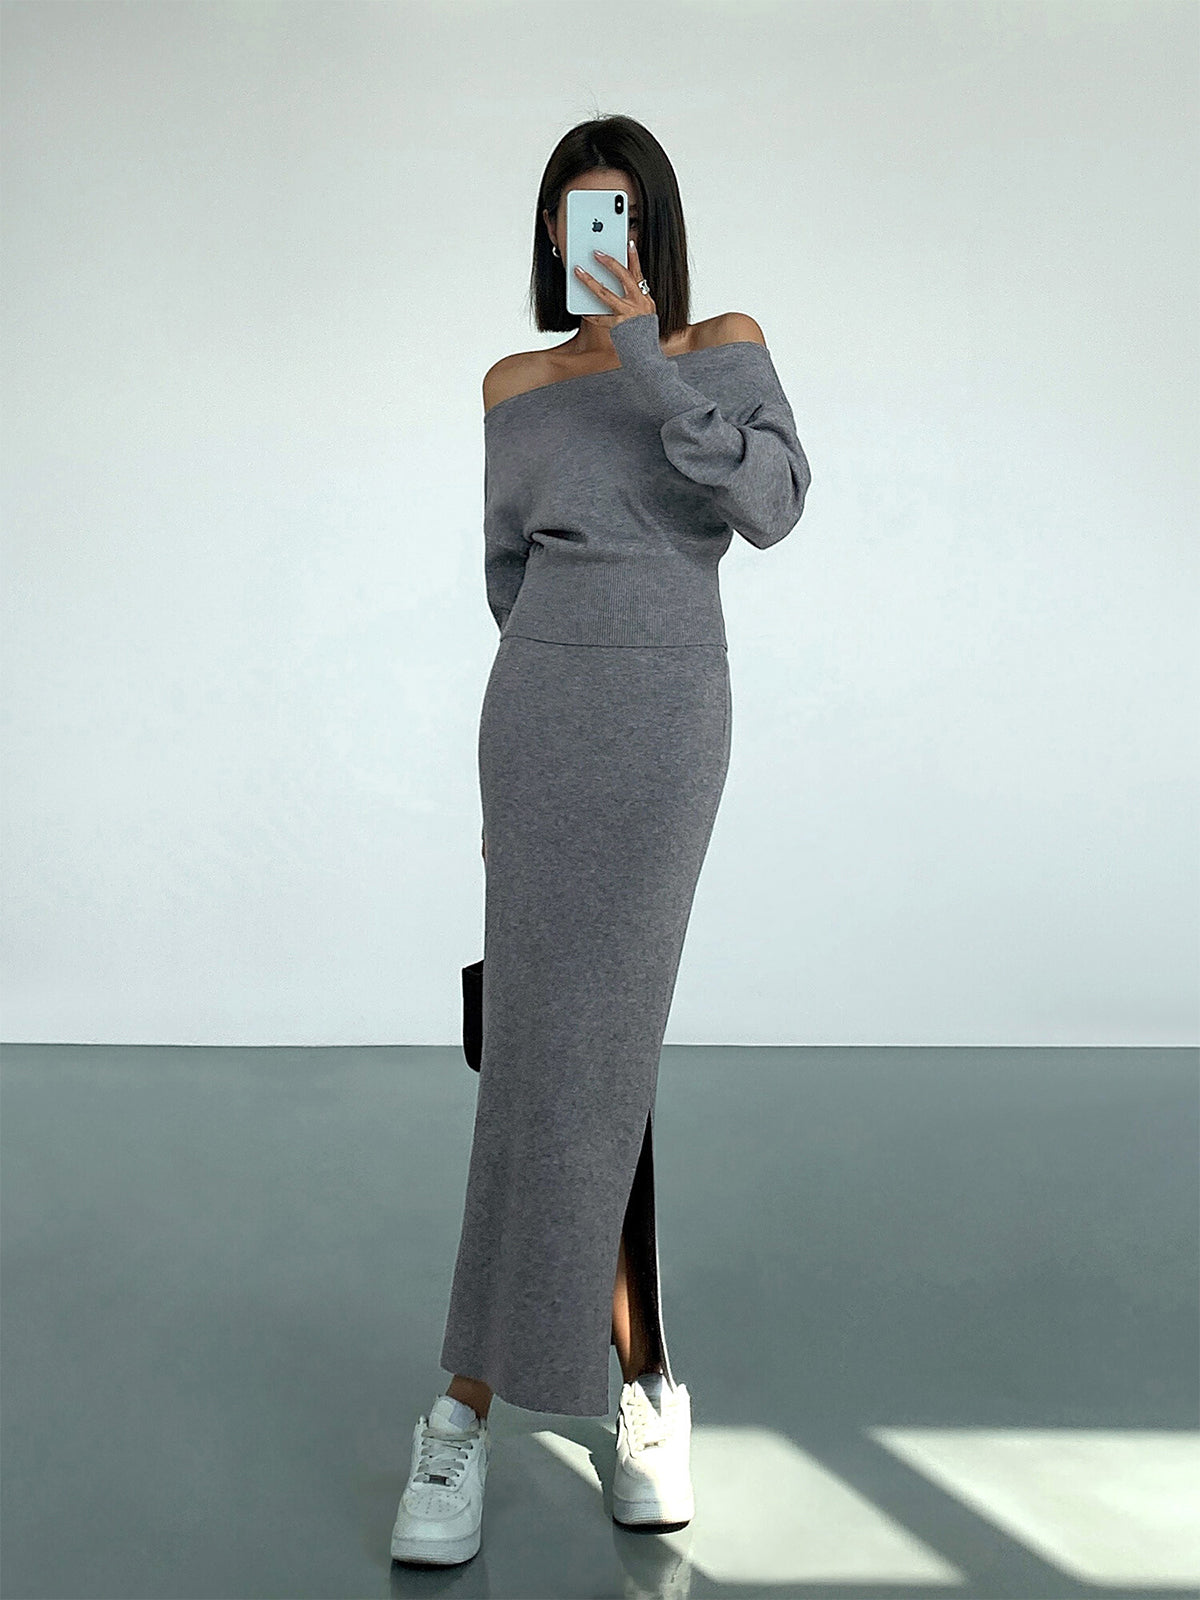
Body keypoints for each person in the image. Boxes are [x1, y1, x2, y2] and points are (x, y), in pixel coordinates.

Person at [391, 113, 812, 1568]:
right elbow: (508, 576)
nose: (598, 243)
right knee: (542, 1049)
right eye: (577, 218)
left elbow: (770, 507)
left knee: (599, 1047)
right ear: (549, 234)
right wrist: (509, 784)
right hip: (541, 714)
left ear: (656, 229)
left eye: (622, 216)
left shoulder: (723, 348)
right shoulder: (512, 386)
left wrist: (646, 357)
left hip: (667, 717)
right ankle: (608, 1389)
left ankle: (512, 1393)